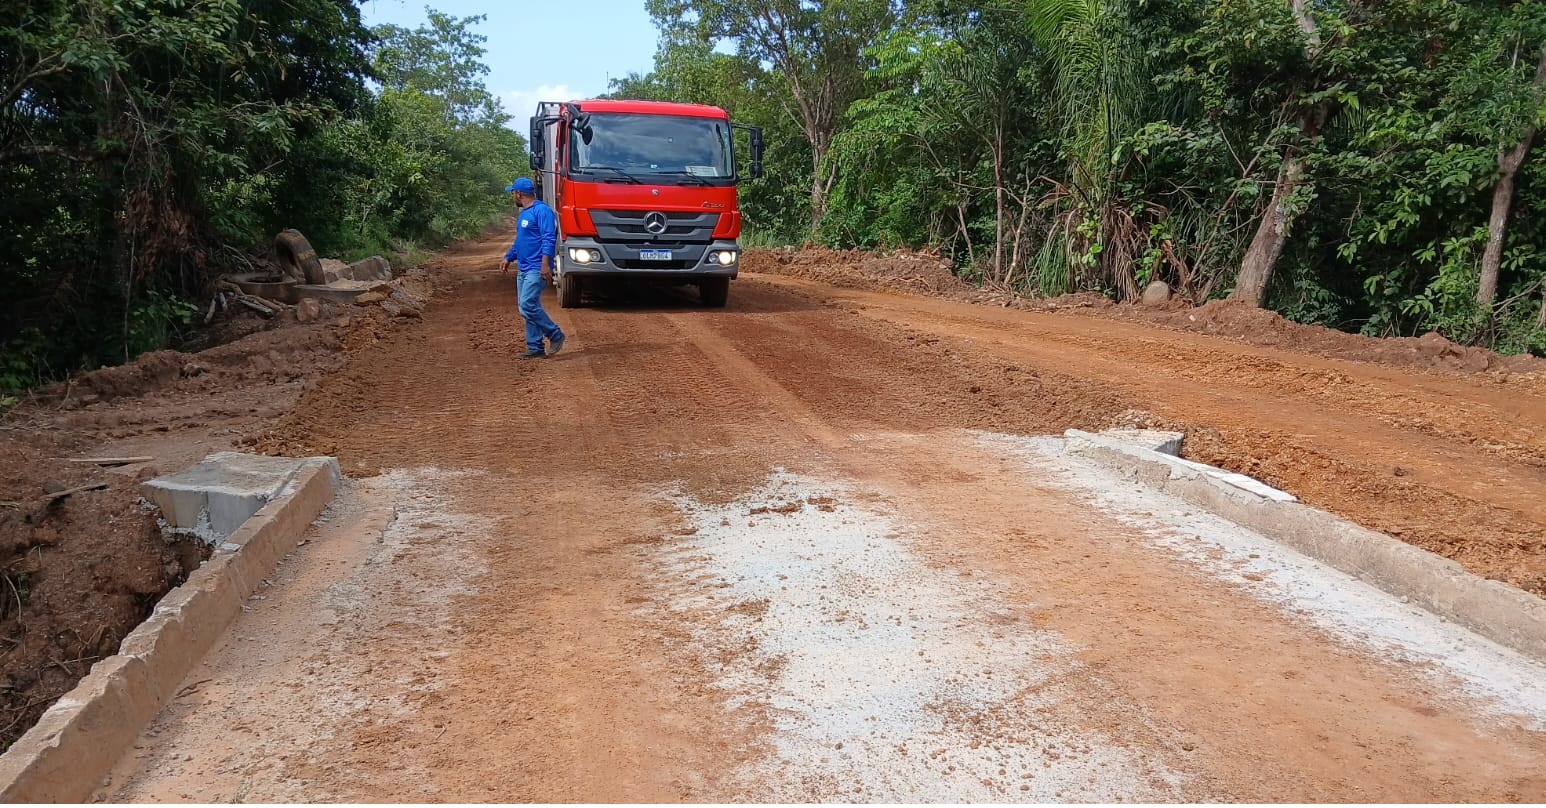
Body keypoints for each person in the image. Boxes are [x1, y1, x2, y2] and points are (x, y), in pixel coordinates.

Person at [500, 177, 565, 359]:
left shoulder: (542, 211)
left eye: (513, 192)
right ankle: (535, 347)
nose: (512, 195)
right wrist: (509, 256)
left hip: (537, 267)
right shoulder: (523, 214)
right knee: (528, 307)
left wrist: (546, 264)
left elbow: (548, 239)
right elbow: (521, 241)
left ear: (519, 194)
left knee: (527, 304)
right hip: (524, 268)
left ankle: (555, 334)